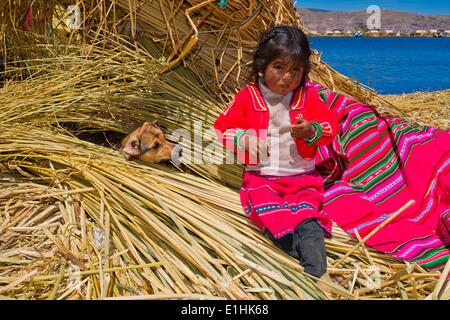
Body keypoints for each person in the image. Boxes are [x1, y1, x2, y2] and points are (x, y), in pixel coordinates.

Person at [214, 25, 339, 284]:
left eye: (296, 70)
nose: (287, 77)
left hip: (303, 178)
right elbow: (223, 128)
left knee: (308, 221)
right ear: (262, 66)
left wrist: (311, 130)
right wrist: (244, 138)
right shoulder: (248, 98)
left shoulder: (309, 97)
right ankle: (300, 263)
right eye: (279, 67)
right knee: (275, 221)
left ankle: (319, 274)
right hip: (262, 178)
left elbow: (330, 127)